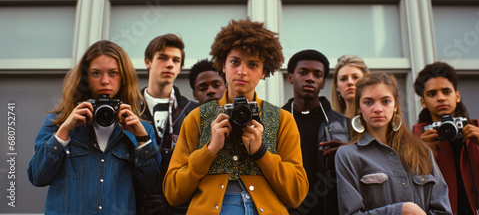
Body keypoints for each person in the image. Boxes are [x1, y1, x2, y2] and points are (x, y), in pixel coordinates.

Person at [164, 18, 308, 214]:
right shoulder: (198, 117)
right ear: (223, 65)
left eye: (253, 65)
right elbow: (173, 193)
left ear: (264, 72)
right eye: (235, 62)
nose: (242, 71)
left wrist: (261, 153)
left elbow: (297, 194)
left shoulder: (282, 119)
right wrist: (209, 150)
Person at [27, 40, 161, 214]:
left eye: (113, 73)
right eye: (96, 73)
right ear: (85, 78)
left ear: (123, 78)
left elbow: (153, 187)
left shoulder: (140, 128)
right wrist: (64, 132)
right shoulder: (59, 122)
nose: (105, 81)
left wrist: (142, 139)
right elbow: (37, 177)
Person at [335, 72, 452, 214]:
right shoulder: (348, 155)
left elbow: (444, 211)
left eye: (385, 101)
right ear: (359, 108)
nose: (378, 109)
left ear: (395, 105)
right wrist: (399, 211)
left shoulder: (422, 151)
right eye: (368, 102)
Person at [412, 61, 479, 215]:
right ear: (423, 102)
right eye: (432, 94)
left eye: (446, 91)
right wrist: (423, 153)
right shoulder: (414, 145)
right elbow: (410, 194)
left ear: (457, 96)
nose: (440, 98)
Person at [282, 49, 349, 215]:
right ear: (290, 77)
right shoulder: (275, 122)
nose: (310, 78)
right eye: (303, 73)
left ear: (323, 82)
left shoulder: (343, 124)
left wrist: (347, 154)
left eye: (317, 75)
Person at [139, 33, 199, 214]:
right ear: (147, 62)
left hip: (182, 208)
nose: (170, 64)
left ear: (180, 67)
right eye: (162, 58)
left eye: (176, 60)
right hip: (136, 206)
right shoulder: (129, 111)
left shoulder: (193, 112)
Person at [331, 55, 368, 119]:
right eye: (343, 79)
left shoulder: (376, 119)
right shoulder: (330, 122)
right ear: (336, 86)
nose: (350, 82)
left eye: (355, 77)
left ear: (366, 81)